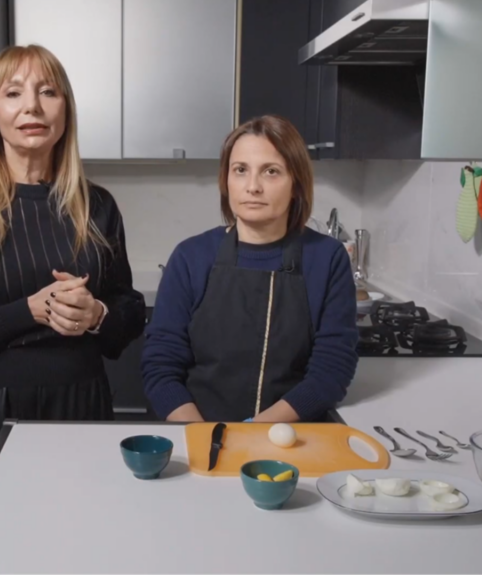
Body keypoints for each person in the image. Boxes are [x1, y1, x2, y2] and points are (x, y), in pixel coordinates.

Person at [0, 45, 145, 539]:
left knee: (78, 544)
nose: (32, 106)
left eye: (47, 92)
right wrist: (27, 312)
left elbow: (129, 311)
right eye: (13, 93)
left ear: (65, 111)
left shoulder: (97, 207)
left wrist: (97, 314)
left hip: (80, 409)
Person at [141, 115, 358, 423]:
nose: (253, 187)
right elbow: (160, 366)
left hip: (288, 435)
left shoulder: (327, 259)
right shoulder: (191, 257)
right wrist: (202, 436)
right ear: (226, 181)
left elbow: (331, 371)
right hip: (195, 431)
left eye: (271, 171)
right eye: (240, 170)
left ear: (296, 185)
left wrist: (255, 432)